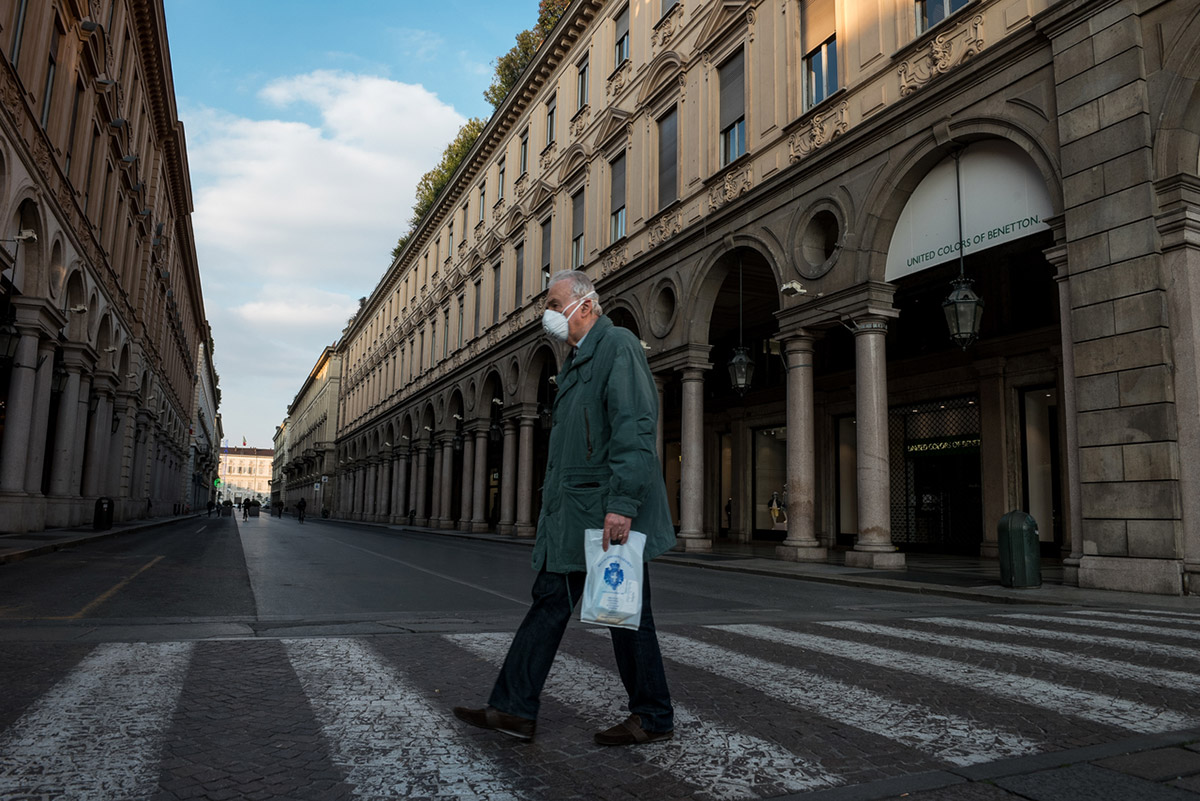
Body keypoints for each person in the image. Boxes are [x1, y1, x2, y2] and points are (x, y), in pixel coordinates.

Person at [454, 270, 676, 746]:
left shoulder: (616, 347)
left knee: (624, 611)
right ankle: (514, 708)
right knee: (563, 603)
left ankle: (652, 714)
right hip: (577, 511)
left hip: (602, 511)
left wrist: (622, 504)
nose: (548, 315)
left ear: (587, 305)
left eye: (555, 304)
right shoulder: (577, 360)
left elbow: (634, 427)